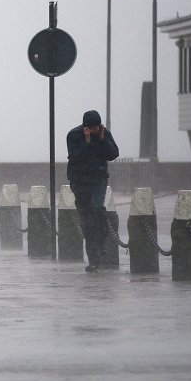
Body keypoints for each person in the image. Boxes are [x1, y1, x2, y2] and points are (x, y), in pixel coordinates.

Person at [66, 110, 119, 272]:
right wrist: (87, 142)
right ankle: (93, 259)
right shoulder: (74, 135)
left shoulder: (103, 134)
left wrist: (102, 140)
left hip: (98, 179)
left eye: (97, 127)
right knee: (87, 221)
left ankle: (102, 242)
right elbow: (74, 157)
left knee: (97, 209)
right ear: (85, 127)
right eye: (92, 128)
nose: (95, 131)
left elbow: (113, 154)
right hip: (80, 182)